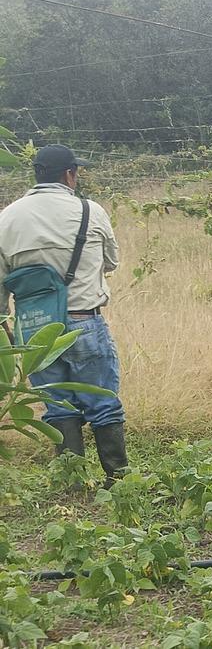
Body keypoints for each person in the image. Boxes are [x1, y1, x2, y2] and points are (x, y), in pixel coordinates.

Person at [0, 144, 129, 486]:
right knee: (102, 401)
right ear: (70, 174)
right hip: (84, 320)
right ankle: (118, 480)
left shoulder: (6, 217)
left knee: (57, 406)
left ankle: (73, 483)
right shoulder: (90, 211)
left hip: (33, 330)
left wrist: (7, 325)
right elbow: (112, 262)